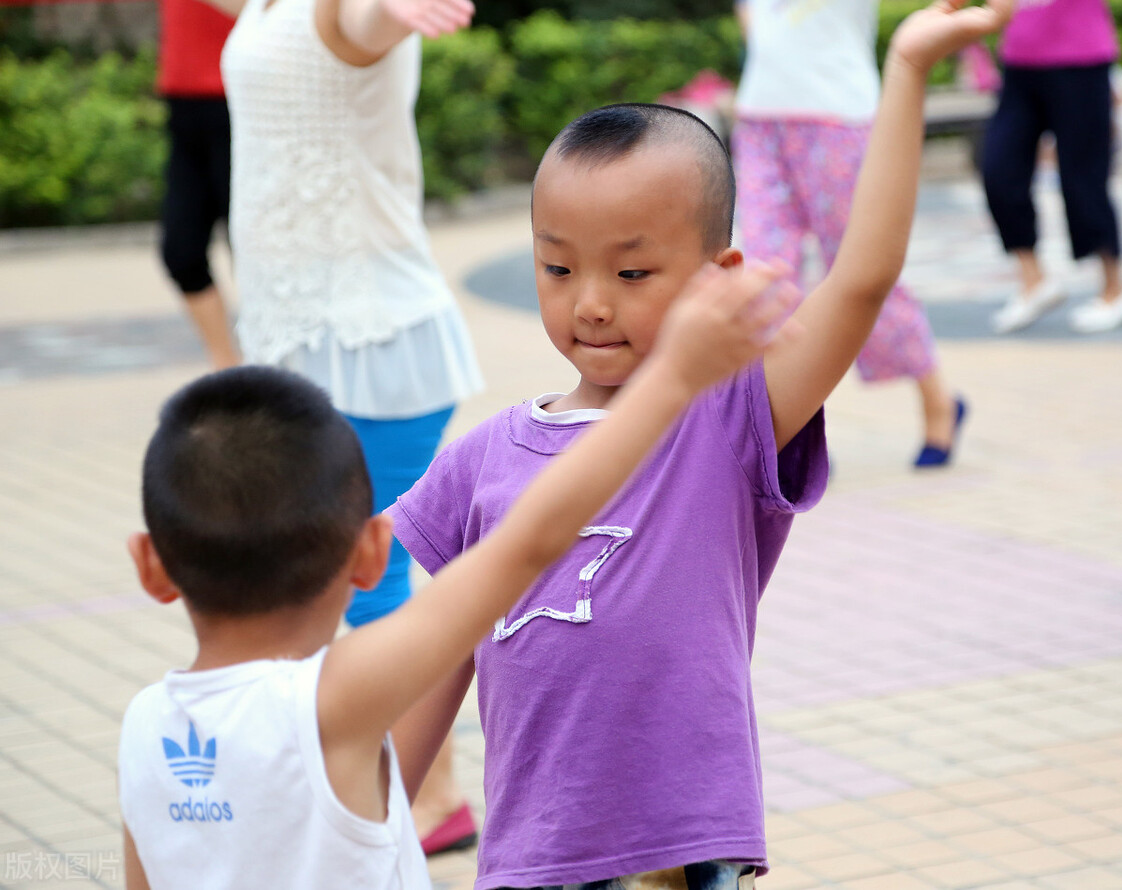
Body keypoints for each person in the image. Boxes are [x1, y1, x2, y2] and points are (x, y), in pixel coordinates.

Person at [386, 4, 1013, 890]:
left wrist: (905, 70)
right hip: (530, 862)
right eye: (558, 268)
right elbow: (432, 663)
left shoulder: (728, 419)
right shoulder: (478, 460)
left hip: (681, 860)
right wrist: (370, 839)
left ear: (716, 277)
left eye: (631, 272)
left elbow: (863, 279)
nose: (591, 302)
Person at [118, 265, 797, 890]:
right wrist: (673, 376)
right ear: (370, 553)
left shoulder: (145, 729)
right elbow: (530, 542)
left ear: (151, 565)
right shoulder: (337, 698)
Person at [206, 0, 484, 846]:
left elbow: (357, 23)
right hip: (310, 340)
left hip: (369, 341)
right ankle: (419, 793)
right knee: (350, 575)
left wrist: (383, 9)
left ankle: (432, 798)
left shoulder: (341, 9)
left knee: (368, 578)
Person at [732, 0, 966, 468]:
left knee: (865, 267)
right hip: (760, 118)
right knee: (764, 273)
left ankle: (937, 398)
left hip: (836, 118)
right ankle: (790, 423)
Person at [983, 0, 1122, 334]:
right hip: (1020, 63)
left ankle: (1116, 292)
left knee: (1084, 179)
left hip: (1081, 57)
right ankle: (1034, 281)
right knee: (998, 169)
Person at [157, 0, 239, 370]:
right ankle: (228, 367)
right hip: (184, 102)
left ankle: (276, 369)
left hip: (242, 99)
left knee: (255, 254)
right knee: (181, 251)